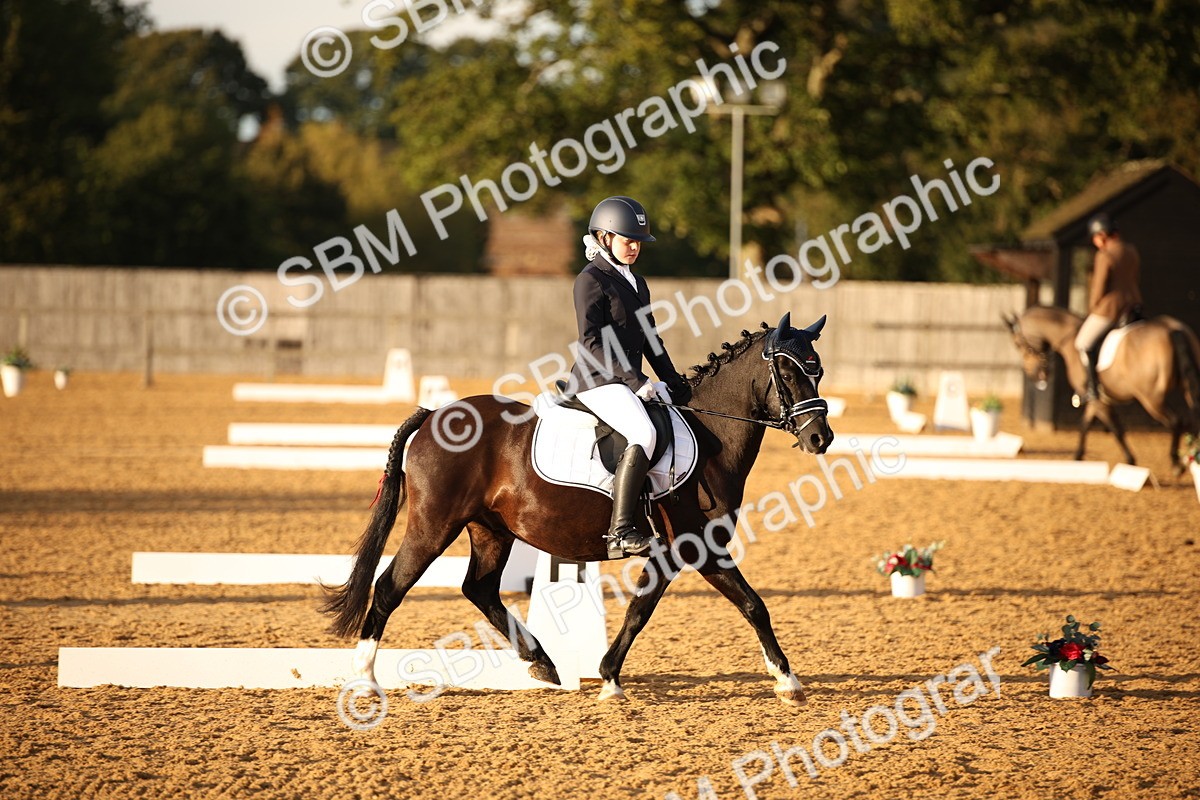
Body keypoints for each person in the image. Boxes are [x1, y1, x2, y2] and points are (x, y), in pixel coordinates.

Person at [565, 196, 692, 555]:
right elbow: (589, 343)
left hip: (625, 380)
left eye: (638, 241)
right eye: (627, 240)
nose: (635, 247)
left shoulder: (637, 283)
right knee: (643, 431)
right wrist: (637, 382)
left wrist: (675, 379)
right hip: (596, 381)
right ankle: (621, 529)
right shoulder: (590, 281)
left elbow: (650, 339)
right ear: (604, 237)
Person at [1074, 213, 1142, 405]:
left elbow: (1098, 288)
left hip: (1111, 309)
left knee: (1083, 342)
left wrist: (1093, 308)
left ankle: (1093, 389)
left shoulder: (1105, 255)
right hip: (1134, 305)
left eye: (1095, 238)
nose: (1095, 242)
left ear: (1102, 235)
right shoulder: (1132, 251)